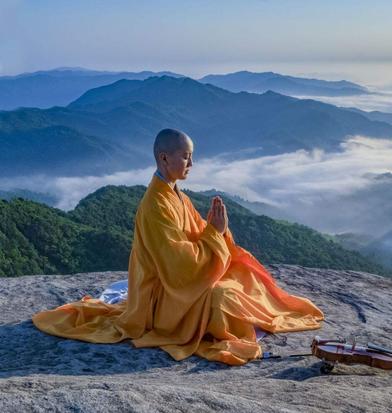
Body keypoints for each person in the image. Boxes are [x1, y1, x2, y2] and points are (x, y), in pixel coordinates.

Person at [32, 128, 324, 365]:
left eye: (191, 157)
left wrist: (216, 231)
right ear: (164, 158)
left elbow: (197, 234)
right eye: (186, 157)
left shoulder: (176, 195)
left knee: (239, 274)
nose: (191, 164)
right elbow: (179, 266)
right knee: (223, 299)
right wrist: (214, 234)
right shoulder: (155, 205)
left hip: (182, 283)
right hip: (163, 294)